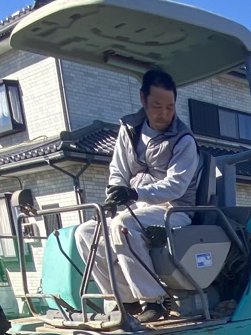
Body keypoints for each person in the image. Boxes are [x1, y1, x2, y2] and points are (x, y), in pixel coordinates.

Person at [74, 67, 200, 321]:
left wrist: (133, 193)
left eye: (170, 107)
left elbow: (176, 186)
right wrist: (115, 194)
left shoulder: (183, 139)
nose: (164, 113)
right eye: (157, 106)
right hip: (138, 208)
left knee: (124, 225)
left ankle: (154, 301)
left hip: (174, 210)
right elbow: (118, 169)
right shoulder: (129, 130)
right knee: (86, 232)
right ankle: (125, 302)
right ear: (143, 99)